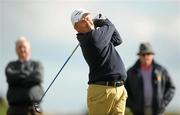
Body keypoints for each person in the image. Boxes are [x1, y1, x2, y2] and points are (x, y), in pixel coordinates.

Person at [71, 9, 128, 115]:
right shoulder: (92, 38)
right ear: (77, 28)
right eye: (83, 21)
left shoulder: (99, 37)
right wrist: (102, 20)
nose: (88, 22)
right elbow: (110, 27)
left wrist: (97, 22)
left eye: (88, 18)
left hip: (119, 89)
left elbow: (118, 39)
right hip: (101, 91)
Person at [125, 42, 176, 115]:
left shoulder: (161, 70)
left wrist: (163, 103)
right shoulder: (131, 72)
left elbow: (172, 88)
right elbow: (124, 91)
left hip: (158, 111)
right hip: (138, 112)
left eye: (148, 54)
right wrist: (132, 105)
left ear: (152, 55)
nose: (146, 56)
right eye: (143, 54)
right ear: (139, 56)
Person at [5, 37, 44, 115]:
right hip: (14, 108)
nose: (22, 49)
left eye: (24, 47)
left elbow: (38, 78)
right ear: (16, 50)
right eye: (20, 47)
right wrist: (29, 75)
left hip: (35, 107)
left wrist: (19, 78)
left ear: (29, 49)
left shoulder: (37, 64)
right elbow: (11, 77)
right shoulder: (11, 65)